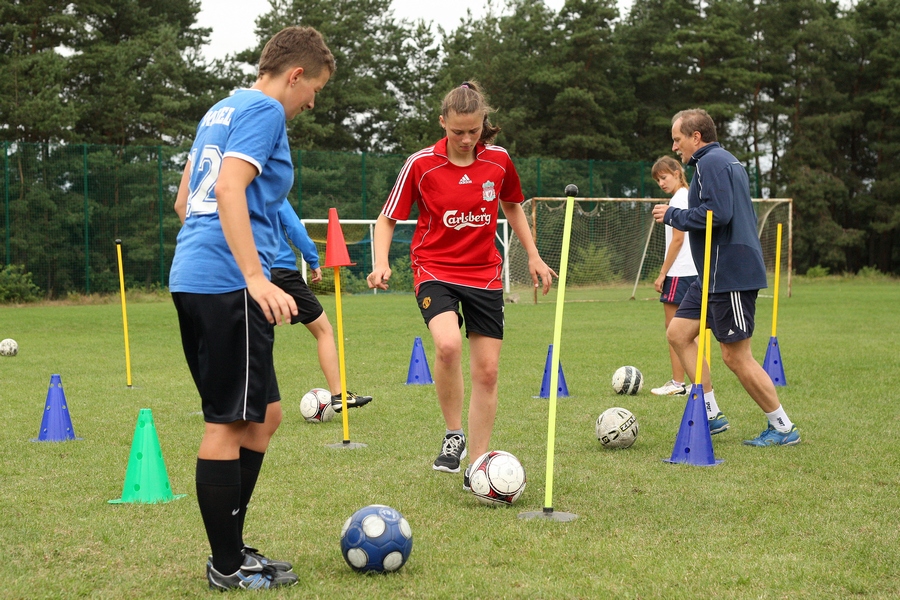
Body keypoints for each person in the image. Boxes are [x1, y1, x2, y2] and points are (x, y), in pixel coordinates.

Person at [170, 26, 335, 590]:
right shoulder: (266, 111)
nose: (312, 102)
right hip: (227, 285)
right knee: (231, 422)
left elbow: (184, 198)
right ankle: (226, 565)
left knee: (265, 416)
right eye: (313, 88)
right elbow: (227, 191)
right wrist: (252, 276)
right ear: (295, 75)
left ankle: (233, 547)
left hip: (197, 274)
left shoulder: (220, 108)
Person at [366, 81, 556, 489]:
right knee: (449, 345)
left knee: (487, 372)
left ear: (482, 123)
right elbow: (387, 219)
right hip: (434, 269)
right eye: (457, 132)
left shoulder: (499, 161)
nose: (467, 139)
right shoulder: (421, 164)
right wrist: (381, 262)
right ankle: (454, 436)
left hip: (484, 274)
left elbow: (512, 207)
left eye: (474, 130)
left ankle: (480, 465)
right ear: (443, 123)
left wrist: (534, 255)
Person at [651, 108, 800, 446]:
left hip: (729, 274)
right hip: (712, 276)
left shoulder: (709, 163)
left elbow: (718, 214)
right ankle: (711, 413)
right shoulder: (725, 161)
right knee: (677, 333)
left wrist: (674, 215)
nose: (675, 148)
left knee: (735, 356)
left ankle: (782, 426)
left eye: (677, 140)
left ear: (696, 137)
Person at [270, 199, 373, 412]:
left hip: (247, 275)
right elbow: (295, 228)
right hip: (281, 271)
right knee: (324, 331)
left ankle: (235, 399)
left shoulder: (232, 190)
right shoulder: (273, 190)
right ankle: (338, 396)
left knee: (248, 338)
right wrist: (313, 260)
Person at [649, 156, 697, 397]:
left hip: (680, 271)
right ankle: (695, 383)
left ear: (678, 172)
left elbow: (678, 239)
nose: (661, 183)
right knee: (684, 331)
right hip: (691, 271)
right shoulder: (686, 196)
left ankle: (679, 384)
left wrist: (662, 273)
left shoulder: (679, 199)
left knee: (675, 330)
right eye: (658, 180)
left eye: (664, 177)